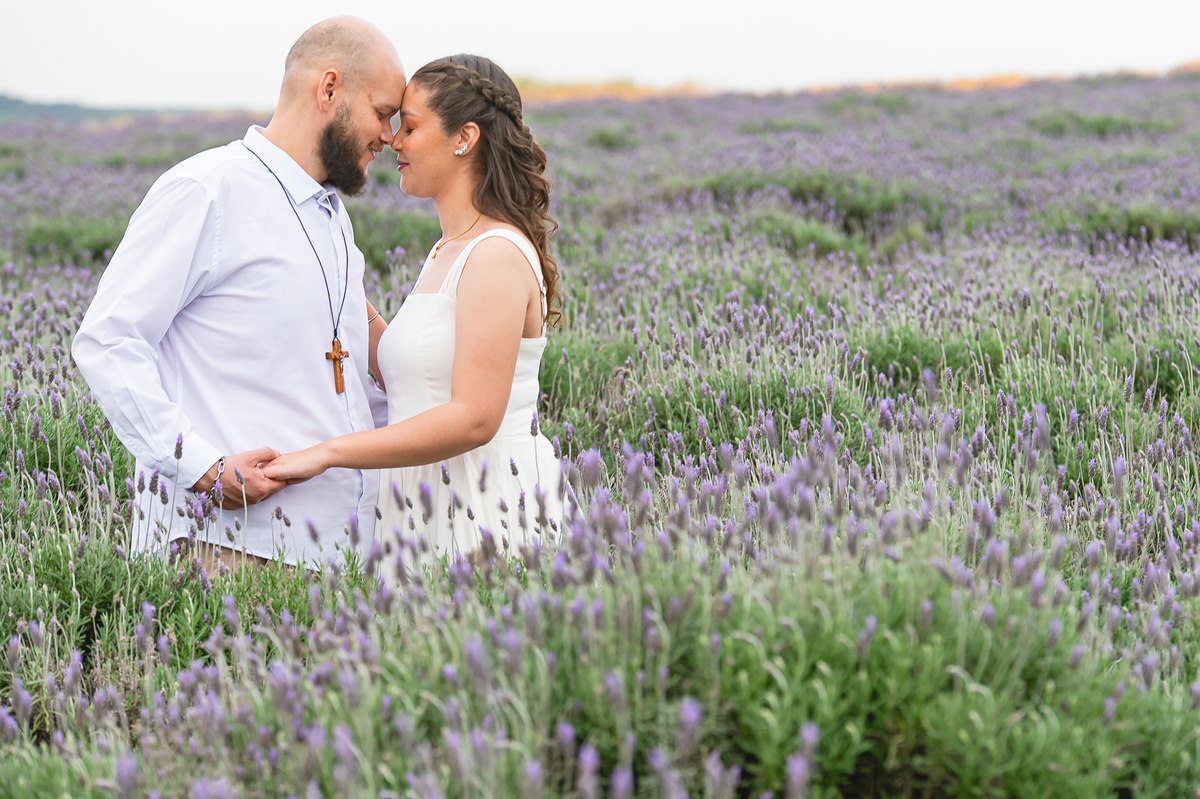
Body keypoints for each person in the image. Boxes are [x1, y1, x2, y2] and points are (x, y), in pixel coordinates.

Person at [71, 17, 406, 572]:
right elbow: (108, 342)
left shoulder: (332, 217)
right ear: (328, 89)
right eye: (381, 112)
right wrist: (201, 467)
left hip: (340, 555)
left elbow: (338, 377)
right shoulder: (208, 190)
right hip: (227, 550)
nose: (390, 136)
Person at [263, 54, 566, 572]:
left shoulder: (493, 253)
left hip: (485, 506)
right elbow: (408, 369)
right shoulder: (447, 249)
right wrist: (329, 284)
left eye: (410, 126)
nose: (394, 142)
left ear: (464, 138)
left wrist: (330, 452)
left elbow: (474, 417)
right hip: (424, 504)